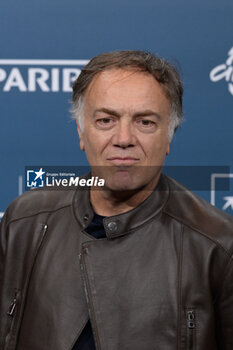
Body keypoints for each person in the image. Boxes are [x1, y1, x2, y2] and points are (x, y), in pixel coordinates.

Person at [0, 50, 233, 350]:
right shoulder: (24, 221)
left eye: (145, 122)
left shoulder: (218, 245)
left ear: (169, 136)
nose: (124, 138)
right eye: (106, 120)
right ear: (81, 132)